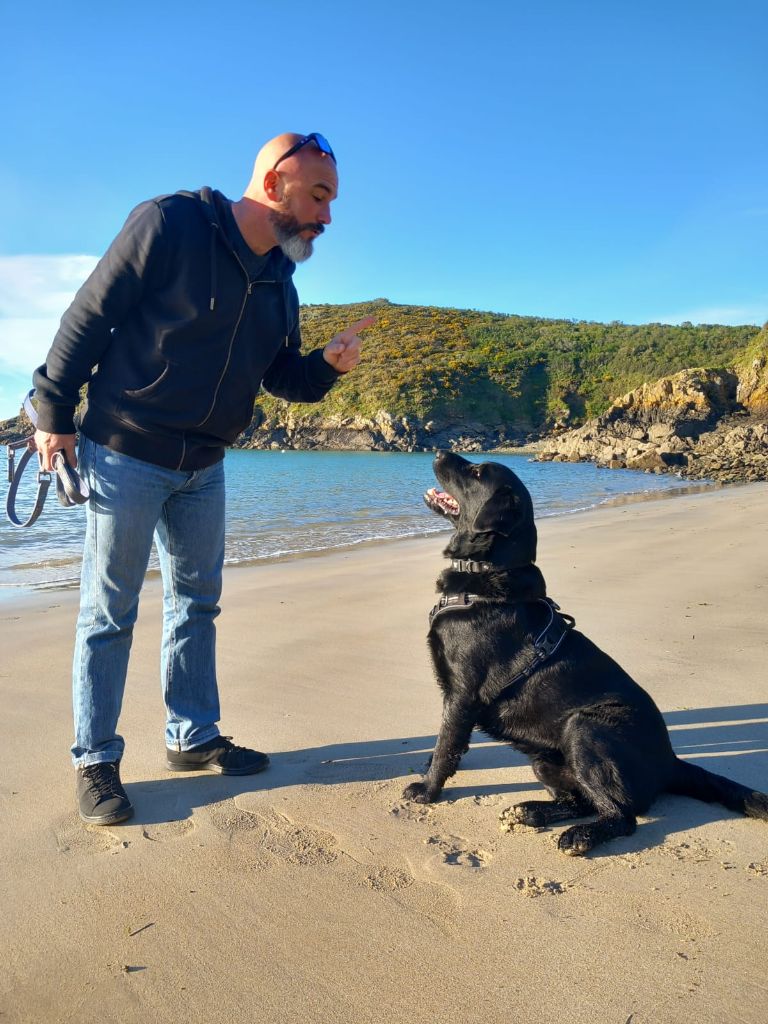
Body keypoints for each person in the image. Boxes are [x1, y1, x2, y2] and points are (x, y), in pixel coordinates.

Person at [32, 132, 374, 826]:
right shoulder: (171, 223)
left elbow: (279, 375)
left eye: (331, 202)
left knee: (197, 604)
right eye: (319, 197)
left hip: (206, 466)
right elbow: (88, 317)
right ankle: (95, 759)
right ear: (274, 183)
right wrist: (54, 414)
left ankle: (191, 738)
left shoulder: (281, 277)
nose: (327, 218)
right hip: (125, 452)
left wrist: (327, 367)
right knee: (110, 613)